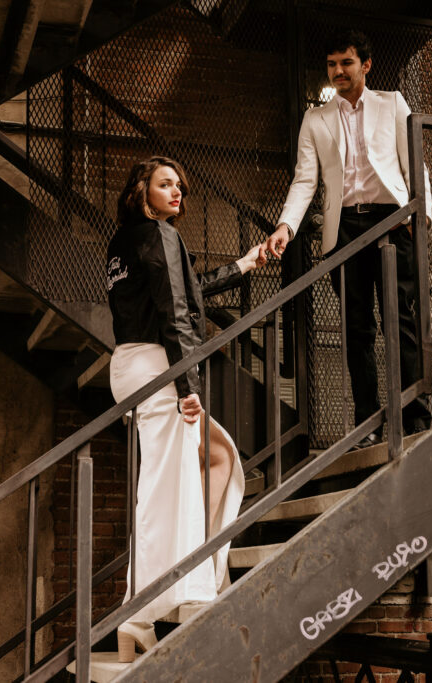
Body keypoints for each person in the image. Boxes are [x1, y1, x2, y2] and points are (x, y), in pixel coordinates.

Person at [105, 156, 269, 661]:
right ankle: (145, 609)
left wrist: (243, 265)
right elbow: (176, 313)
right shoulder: (160, 236)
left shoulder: (124, 242)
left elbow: (185, 291)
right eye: (164, 184)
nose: (177, 192)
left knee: (219, 460)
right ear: (141, 190)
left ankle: (193, 578)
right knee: (159, 487)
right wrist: (188, 384)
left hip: (130, 364)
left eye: (179, 184)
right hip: (159, 366)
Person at [265, 29, 432, 447]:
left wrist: (419, 218)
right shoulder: (315, 119)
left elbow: (416, 164)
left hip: (392, 221)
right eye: (332, 65)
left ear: (365, 65)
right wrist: (285, 226)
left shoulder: (392, 102)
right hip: (345, 230)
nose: (338, 71)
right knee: (356, 329)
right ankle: (367, 421)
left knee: (403, 320)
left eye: (346, 63)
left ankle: (415, 414)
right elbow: (306, 180)